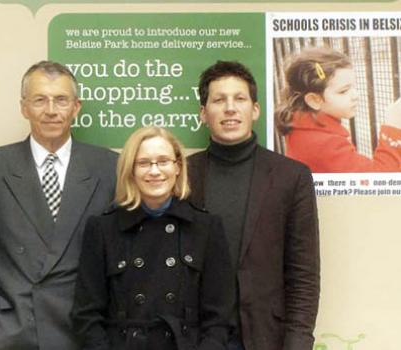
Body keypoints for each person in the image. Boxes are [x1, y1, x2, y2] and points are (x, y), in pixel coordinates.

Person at [0, 61, 118, 350]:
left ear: (76, 107)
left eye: (61, 100)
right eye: (39, 100)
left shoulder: (108, 166)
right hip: (8, 330)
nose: (51, 110)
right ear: (24, 107)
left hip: (81, 329)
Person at [188, 61, 320, 350]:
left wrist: (297, 343)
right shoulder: (182, 174)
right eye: (218, 100)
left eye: (239, 99)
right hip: (198, 339)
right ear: (203, 113)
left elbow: (303, 274)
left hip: (266, 337)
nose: (230, 108)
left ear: (255, 110)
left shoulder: (291, 176)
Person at [71, 126, 235, 350]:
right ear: (131, 170)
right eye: (144, 163)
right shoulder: (103, 229)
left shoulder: (206, 227)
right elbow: (86, 316)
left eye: (163, 161)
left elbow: (219, 318)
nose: (155, 171)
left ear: (177, 167)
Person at [275, 46, 401, 173]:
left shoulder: (300, 125)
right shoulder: (324, 145)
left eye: (353, 87)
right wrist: (392, 128)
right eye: (343, 91)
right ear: (314, 100)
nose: (355, 96)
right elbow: (380, 180)